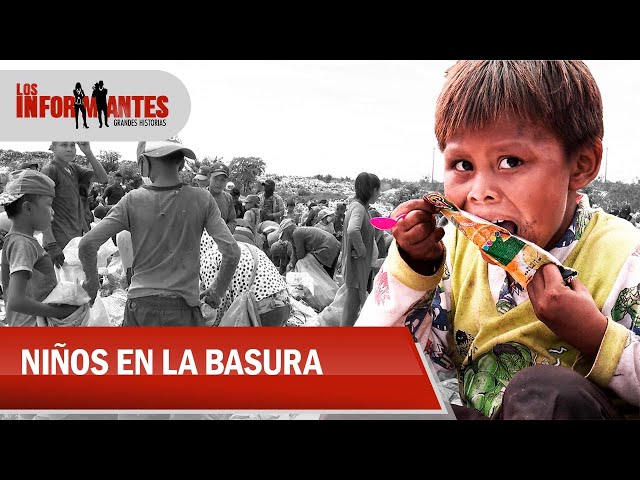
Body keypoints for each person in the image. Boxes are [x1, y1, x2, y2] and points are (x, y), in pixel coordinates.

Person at [355, 60, 640, 420]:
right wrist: (414, 267)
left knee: (549, 395)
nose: (480, 192)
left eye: (510, 161)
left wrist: (596, 336)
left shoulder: (622, 257)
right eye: (462, 165)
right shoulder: (456, 254)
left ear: (581, 164)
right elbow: (372, 362)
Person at [78, 138, 241, 326]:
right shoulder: (202, 199)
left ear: (143, 163)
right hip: (184, 311)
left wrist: (91, 284)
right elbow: (232, 252)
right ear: (180, 163)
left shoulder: (133, 200)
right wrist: (216, 291)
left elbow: (87, 244)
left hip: (140, 309)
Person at [0, 169, 81, 326]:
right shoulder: (22, 244)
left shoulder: (19, 240)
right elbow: (16, 301)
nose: (53, 211)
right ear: (28, 208)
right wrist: (60, 312)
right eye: (49, 205)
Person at [41, 141, 108, 268]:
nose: (69, 149)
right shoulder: (50, 170)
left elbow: (103, 178)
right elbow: (42, 207)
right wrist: (51, 244)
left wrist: (87, 151)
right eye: (64, 145)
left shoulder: (73, 169)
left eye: (72, 145)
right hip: (57, 242)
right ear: (52, 148)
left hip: (73, 239)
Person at [341, 172, 379, 327]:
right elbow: (352, 230)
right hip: (357, 267)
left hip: (357, 267)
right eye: (378, 190)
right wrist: (362, 251)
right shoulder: (359, 209)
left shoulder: (358, 207)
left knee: (354, 307)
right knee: (351, 309)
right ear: (373, 190)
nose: (379, 194)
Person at [207, 162, 237, 233]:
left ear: (227, 181)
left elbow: (232, 221)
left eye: (223, 180)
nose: (218, 183)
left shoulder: (228, 198)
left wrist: (226, 229)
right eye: (215, 178)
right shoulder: (199, 197)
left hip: (222, 239)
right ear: (209, 177)